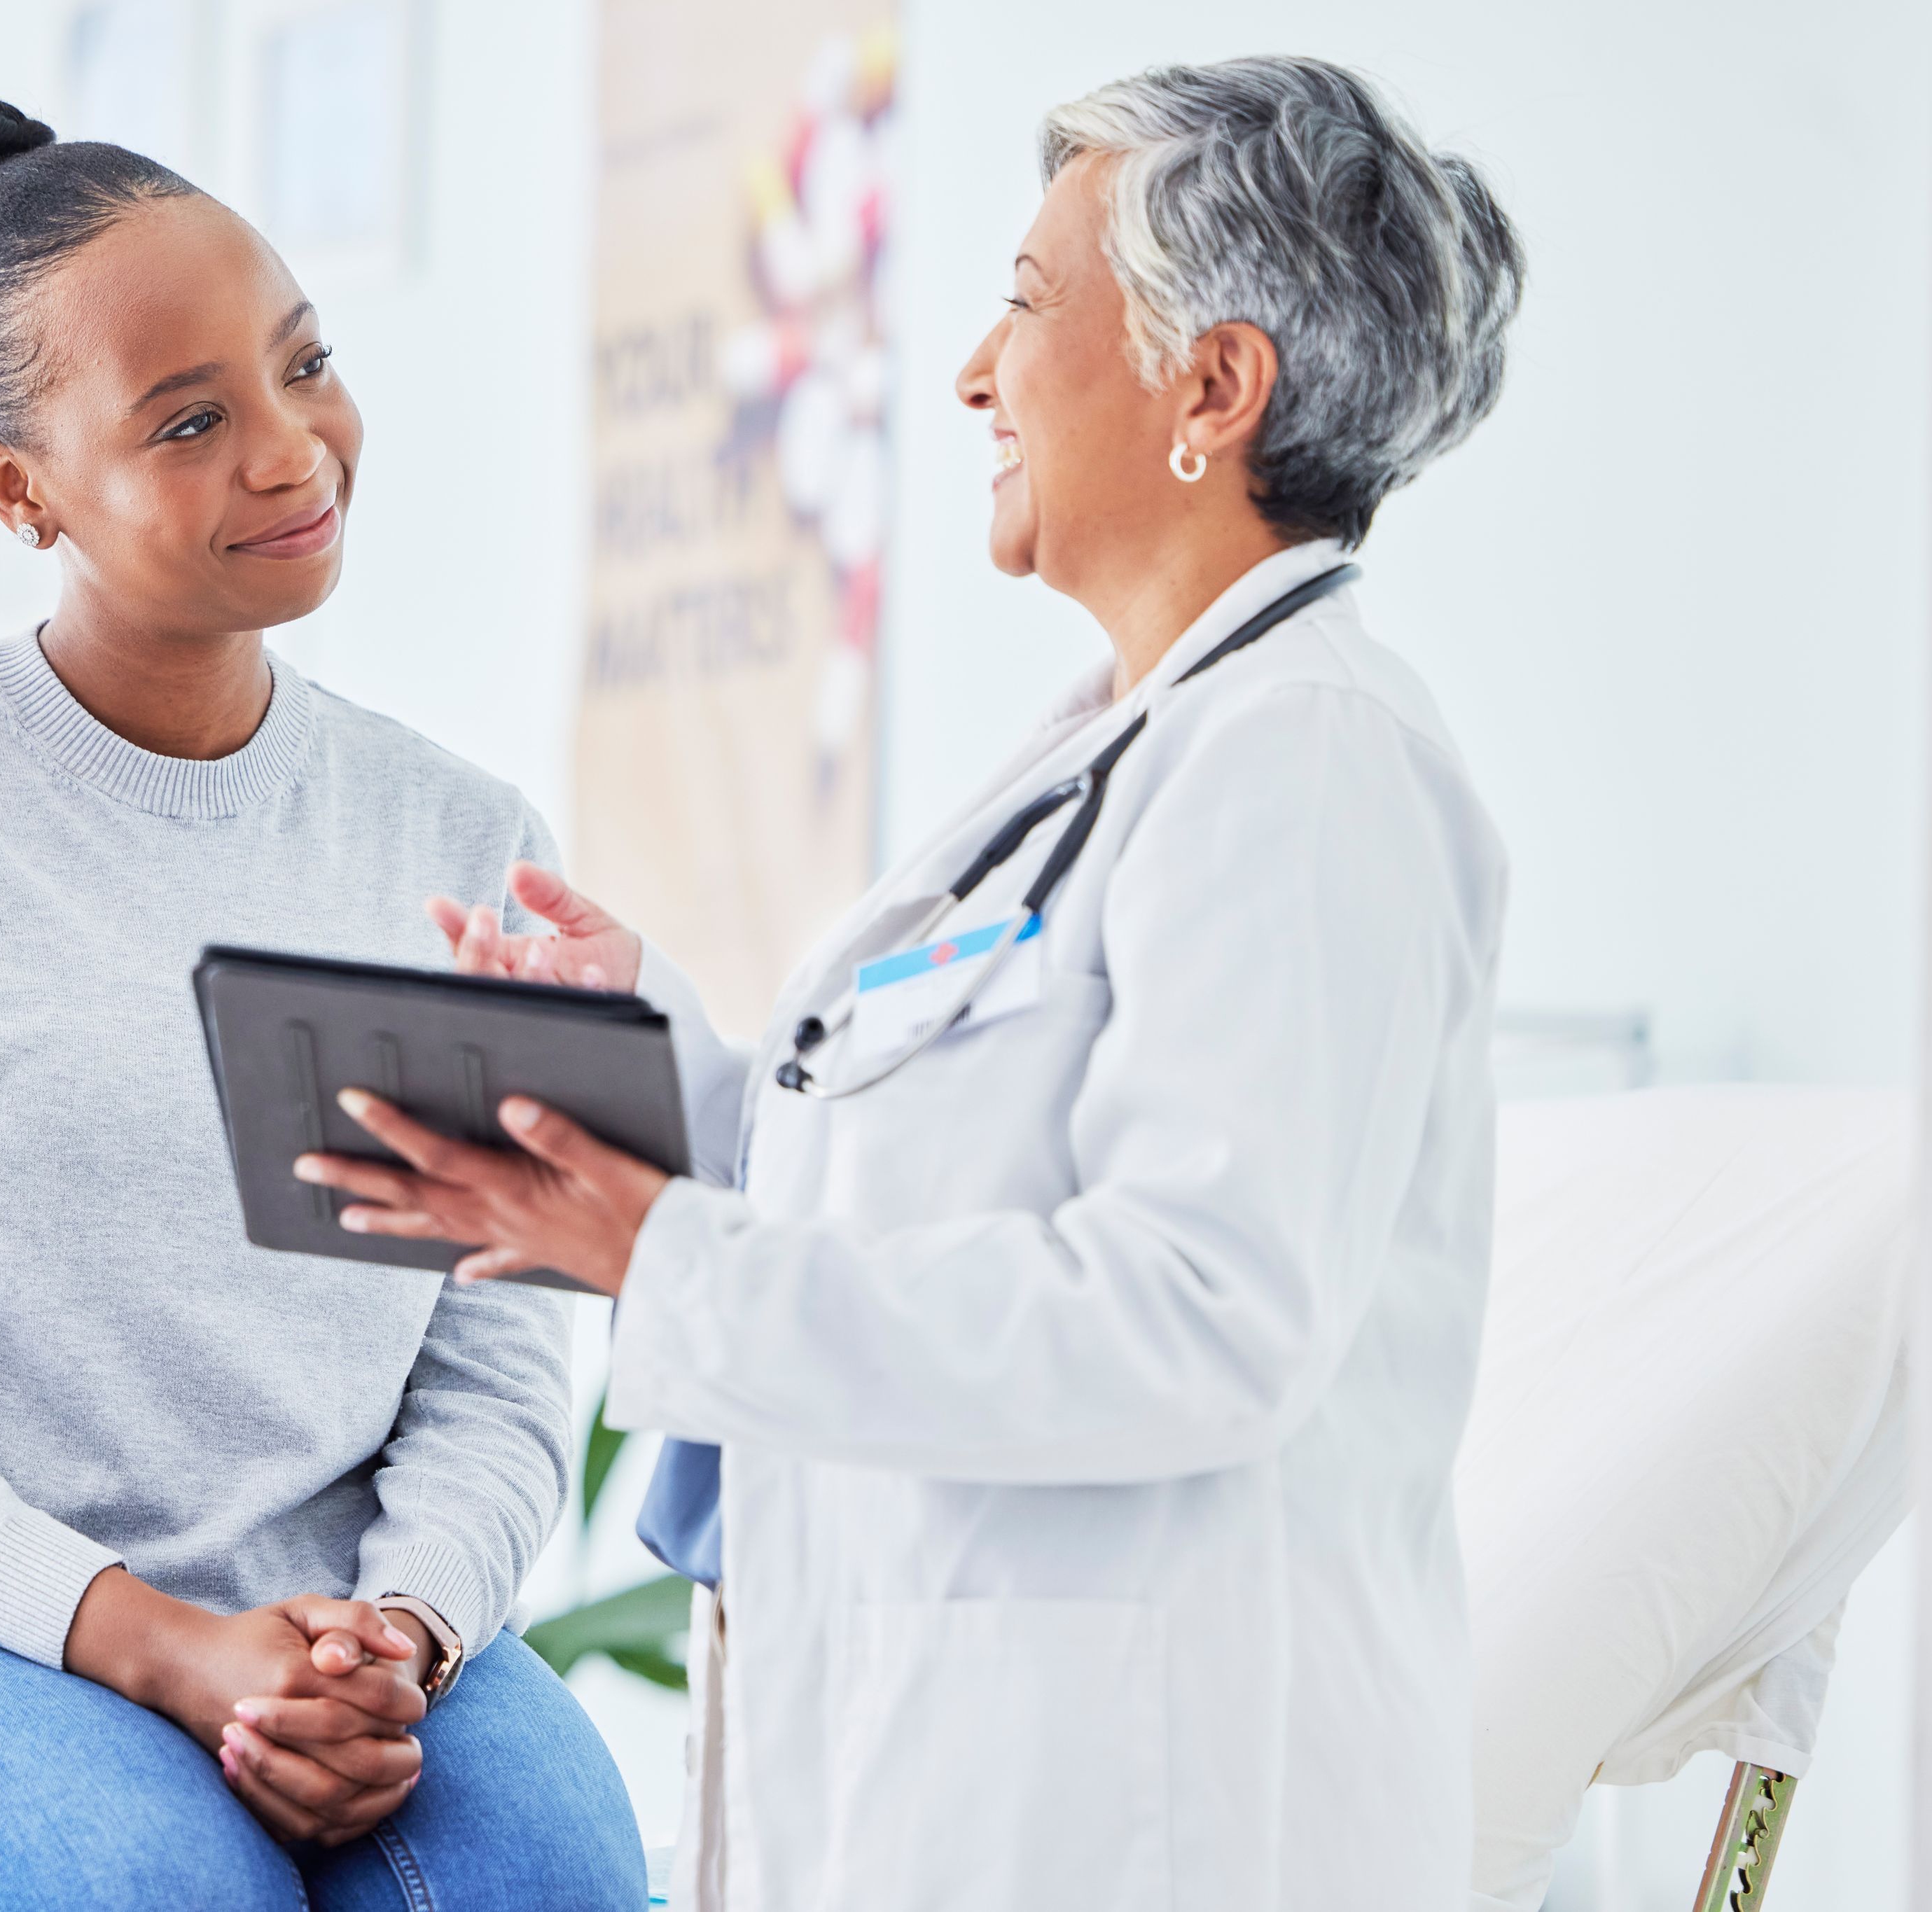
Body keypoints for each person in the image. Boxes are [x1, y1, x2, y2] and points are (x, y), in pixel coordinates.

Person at [300, 57, 1523, 1911]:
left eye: (1029, 305)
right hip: (943, 1779)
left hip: (1158, 1823)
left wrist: (663, 1252)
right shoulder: (1119, 750)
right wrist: (651, 1079)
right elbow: (924, 1182)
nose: (971, 372)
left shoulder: (1310, 761)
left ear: (1215, 384)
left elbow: (1202, 1312)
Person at [0, 100, 643, 1912]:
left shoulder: (468, 840)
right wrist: (169, 1647)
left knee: (550, 1871)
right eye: (190, 421)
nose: (292, 451)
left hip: (333, 1635)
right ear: (19, 488)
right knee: (164, 1885)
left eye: (304, 364)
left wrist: (396, 1636)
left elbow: (503, 1376)